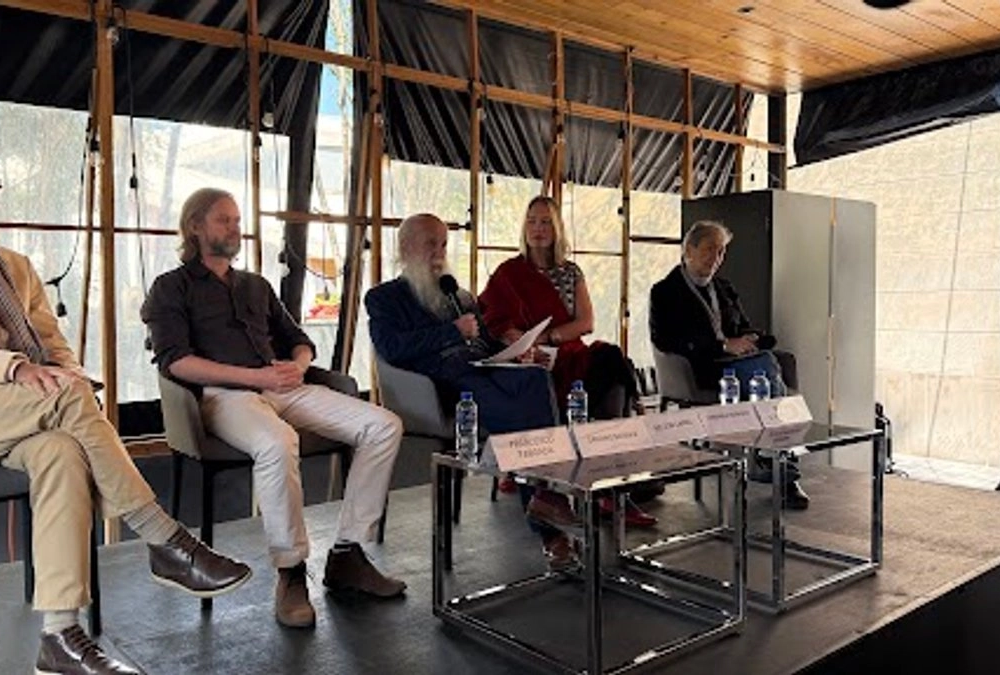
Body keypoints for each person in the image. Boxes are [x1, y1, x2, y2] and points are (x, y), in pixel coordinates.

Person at [0, 138, 251, 675]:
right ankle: (163, 538)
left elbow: (52, 346)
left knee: (61, 448)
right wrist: (17, 370)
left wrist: (66, 374)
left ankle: (59, 636)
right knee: (63, 394)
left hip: (14, 415)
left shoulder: (12, 266)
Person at [141, 188, 406, 631]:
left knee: (383, 425)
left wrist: (295, 366)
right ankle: (291, 572)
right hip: (221, 396)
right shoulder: (172, 286)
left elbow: (300, 340)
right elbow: (175, 361)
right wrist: (256, 378)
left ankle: (347, 554)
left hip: (281, 387)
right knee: (278, 441)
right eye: (223, 220)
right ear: (195, 227)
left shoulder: (255, 286)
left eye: (237, 219)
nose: (234, 227)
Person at [364, 212, 580, 569]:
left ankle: (543, 495)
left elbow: (482, 340)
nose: (439, 252)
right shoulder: (383, 297)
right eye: (430, 243)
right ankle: (550, 523)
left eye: (444, 244)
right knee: (519, 413)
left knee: (535, 378)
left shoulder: (457, 295)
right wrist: (451, 331)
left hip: (481, 369)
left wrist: (515, 352)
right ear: (404, 248)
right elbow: (392, 348)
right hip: (439, 387)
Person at [479, 196, 656, 525]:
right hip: (531, 360)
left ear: (557, 227)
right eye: (532, 221)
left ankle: (608, 485)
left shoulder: (570, 271)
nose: (538, 229)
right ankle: (600, 487)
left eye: (545, 222)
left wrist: (549, 337)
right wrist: (515, 337)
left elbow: (586, 322)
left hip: (569, 354)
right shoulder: (509, 272)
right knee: (594, 373)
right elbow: (490, 319)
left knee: (611, 359)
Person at [649, 220, 808, 510]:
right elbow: (668, 340)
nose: (716, 259)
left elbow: (744, 326)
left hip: (738, 364)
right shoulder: (665, 292)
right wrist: (723, 346)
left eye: (721, 252)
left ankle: (771, 459)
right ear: (689, 250)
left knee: (772, 365)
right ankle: (780, 468)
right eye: (710, 250)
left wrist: (751, 339)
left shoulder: (723, 287)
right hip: (701, 368)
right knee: (769, 373)